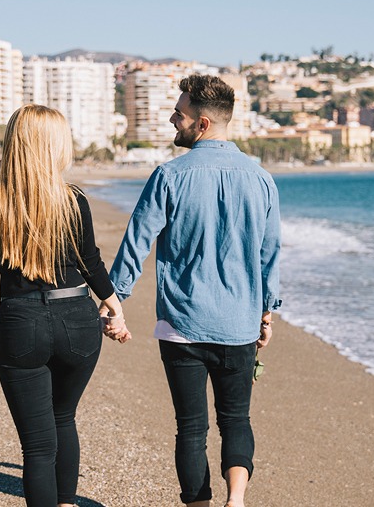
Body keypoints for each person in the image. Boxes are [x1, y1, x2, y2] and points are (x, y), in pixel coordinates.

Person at [109, 75, 281, 507]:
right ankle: (236, 501)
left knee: (190, 427)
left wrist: (115, 301)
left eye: (179, 114)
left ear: (201, 124)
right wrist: (266, 312)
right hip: (239, 324)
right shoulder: (261, 180)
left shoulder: (168, 175)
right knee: (236, 418)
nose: (172, 119)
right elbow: (269, 254)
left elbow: (136, 242)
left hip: (181, 324)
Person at [0, 104, 131, 507]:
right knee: (63, 418)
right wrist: (114, 308)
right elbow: (91, 263)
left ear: (11, 146)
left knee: (37, 446)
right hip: (77, 319)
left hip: (21, 322)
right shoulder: (73, 201)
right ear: (57, 147)